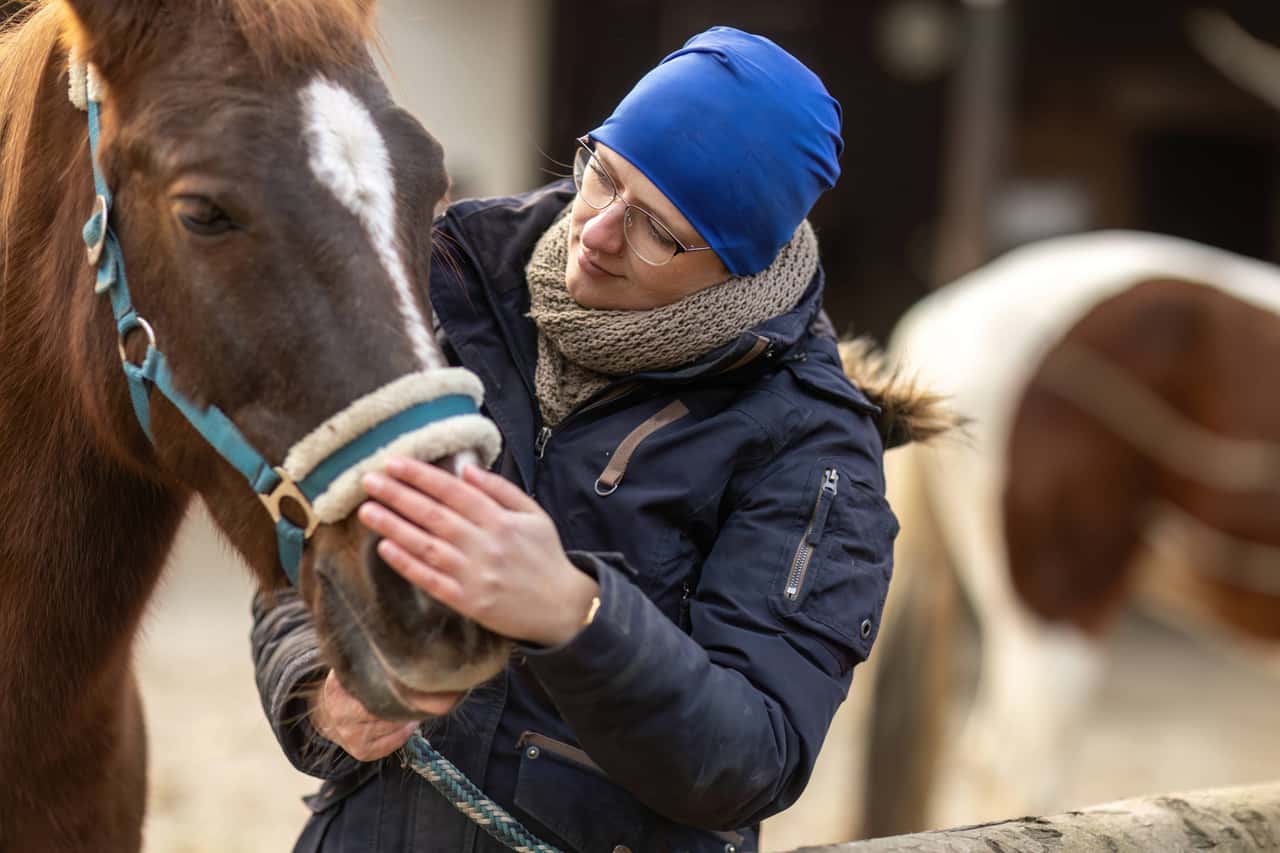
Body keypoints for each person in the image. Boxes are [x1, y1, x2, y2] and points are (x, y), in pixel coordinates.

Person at [253, 26, 921, 853]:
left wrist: (575, 612)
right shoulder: (443, 281)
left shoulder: (814, 446)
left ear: (741, 261)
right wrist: (318, 686)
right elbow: (299, 544)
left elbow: (755, 759)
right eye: (601, 174)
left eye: (657, 229)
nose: (598, 231)